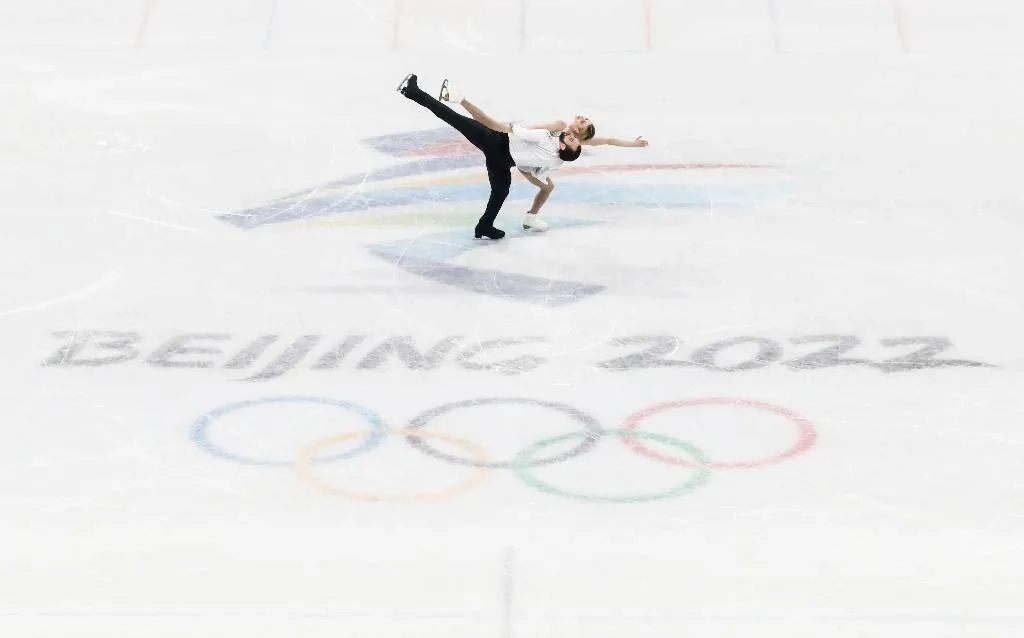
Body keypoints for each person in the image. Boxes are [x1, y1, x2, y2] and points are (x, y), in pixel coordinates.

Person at [438, 81, 647, 232]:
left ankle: (531, 218)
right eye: (584, 118)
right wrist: (516, 133)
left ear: (579, 133)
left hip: (536, 159)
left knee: (547, 187)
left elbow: (609, 140)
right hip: (526, 149)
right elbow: (536, 129)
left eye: (584, 122)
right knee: (533, 182)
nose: (582, 117)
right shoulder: (560, 126)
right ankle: (518, 218)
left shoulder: (578, 142)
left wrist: (633, 144)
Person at [397, 73, 581, 239]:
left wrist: (476, 110)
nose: (572, 135)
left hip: (495, 141)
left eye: (572, 139)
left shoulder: (544, 138)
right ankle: (484, 226)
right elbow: (536, 171)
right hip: (502, 161)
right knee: (500, 191)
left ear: (563, 146)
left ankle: (412, 91)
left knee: (452, 117)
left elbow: (513, 130)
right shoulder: (556, 160)